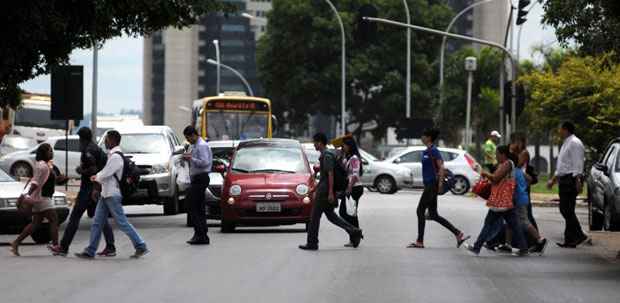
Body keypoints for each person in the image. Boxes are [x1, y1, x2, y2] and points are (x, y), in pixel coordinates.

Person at [75, 131, 149, 259]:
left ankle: (141, 245)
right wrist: (98, 182)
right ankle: (90, 250)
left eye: (107, 140)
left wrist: (95, 177)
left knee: (122, 223)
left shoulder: (116, 157)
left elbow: (106, 173)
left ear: (113, 141)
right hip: (106, 193)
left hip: (112, 194)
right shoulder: (113, 155)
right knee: (97, 223)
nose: (105, 142)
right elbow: (105, 173)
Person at [49, 127, 116, 257]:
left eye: (79, 139)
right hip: (96, 188)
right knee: (100, 218)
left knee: (75, 217)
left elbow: (93, 168)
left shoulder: (88, 150)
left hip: (88, 190)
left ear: (82, 138)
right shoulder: (95, 147)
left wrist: (81, 171)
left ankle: (63, 247)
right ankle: (110, 246)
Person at [407, 128, 470, 249]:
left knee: (420, 211)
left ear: (429, 138)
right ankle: (458, 234)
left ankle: (420, 241)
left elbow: (441, 167)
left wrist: (440, 185)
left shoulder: (434, 151)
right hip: (429, 185)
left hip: (432, 185)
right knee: (434, 214)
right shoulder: (427, 151)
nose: (422, 137)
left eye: (423, 135)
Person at [299, 133, 363, 251]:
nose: (314, 145)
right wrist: (314, 188)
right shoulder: (327, 154)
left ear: (319, 143)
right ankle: (354, 231)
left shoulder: (327, 155)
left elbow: (330, 175)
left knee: (314, 217)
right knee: (332, 216)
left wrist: (329, 192)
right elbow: (324, 177)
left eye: (314, 142)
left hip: (324, 191)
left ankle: (312, 243)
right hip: (324, 188)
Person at [465, 145, 529, 256]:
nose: (496, 156)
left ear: (502, 154)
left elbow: (496, 178)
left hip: (501, 201)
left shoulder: (508, 164)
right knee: (514, 225)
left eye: (497, 154)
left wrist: (483, 173)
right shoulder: (504, 164)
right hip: (504, 201)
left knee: (488, 224)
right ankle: (523, 248)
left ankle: (476, 247)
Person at [9, 143, 60, 256]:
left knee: (36, 223)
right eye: (49, 151)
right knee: (54, 219)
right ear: (43, 153)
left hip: (39, 197)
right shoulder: (42, 166)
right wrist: (26, 196)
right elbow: (35, 182)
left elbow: (37, 180)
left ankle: (16, 242)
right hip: (41, 198)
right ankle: (56, 246)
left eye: (51, 150)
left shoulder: (44, 165)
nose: (51, 152)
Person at [547, 121, 589, 248]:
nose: (559, 132)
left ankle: (579, 235)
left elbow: (577, 164)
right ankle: (570, 239)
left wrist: (578, 181)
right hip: (564, 179)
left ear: (565, 129)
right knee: (567, 209)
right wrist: (553, 180)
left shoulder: (575, 143)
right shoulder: (566, 142)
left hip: (571, 179)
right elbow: (562, 165)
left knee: (566, 209)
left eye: (560, 129)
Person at [183, 125, 212, 245]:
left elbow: (205, 163)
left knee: (192, 205)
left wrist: (191, 159)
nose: (188, 140)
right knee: (198, 207)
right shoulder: (195, 145)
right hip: (197, 178)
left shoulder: (201, 146)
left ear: (193, 135)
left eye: (188, 137)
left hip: (201, 178)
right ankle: (201, 234)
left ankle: (200, 234)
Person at [338, 137, 364, 247]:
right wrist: (340, 155)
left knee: (348, 213)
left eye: (344, 145)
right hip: (350, 187)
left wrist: (349, 188)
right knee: (348, 213)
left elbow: (355, 174)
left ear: (349, 146)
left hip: (354, 188)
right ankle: (354, 235)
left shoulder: (354, 158)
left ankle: (355, 236)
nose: (343, 147)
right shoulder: (348, 158)